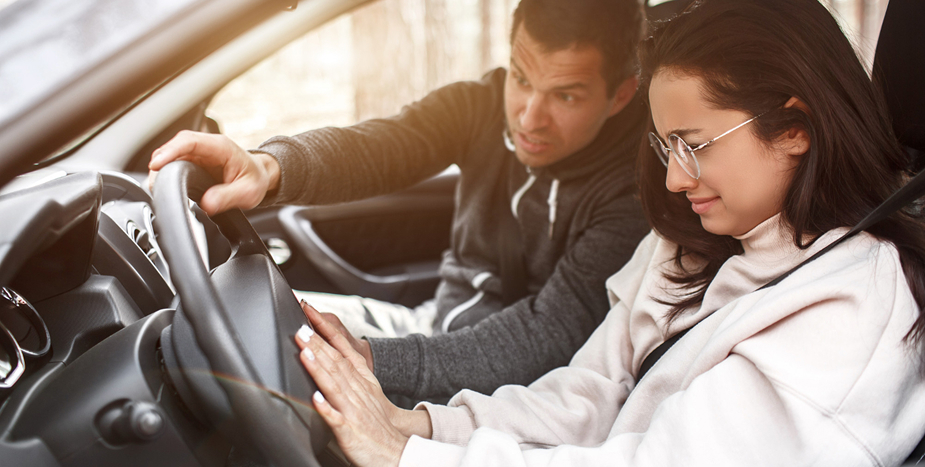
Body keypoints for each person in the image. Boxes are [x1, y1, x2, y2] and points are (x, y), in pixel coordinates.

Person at [291, 0, 925, 465]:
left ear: (794, 127)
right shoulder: (692, 239)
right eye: (666, 145)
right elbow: (590, 394)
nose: (676, 178)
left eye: (695, 145)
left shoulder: (851, 308)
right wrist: (423, 428)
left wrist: (409, 457)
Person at [149, 0, 651, 401]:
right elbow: (385, 145)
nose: (529, 117)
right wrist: (270, 167)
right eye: (522, 78)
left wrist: (374, 362)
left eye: (565, 96)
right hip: (429, 322)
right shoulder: (480, 105)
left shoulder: (632, 193)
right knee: (242, 319)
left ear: (621, 96)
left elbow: (545, 336)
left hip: (510, 386)